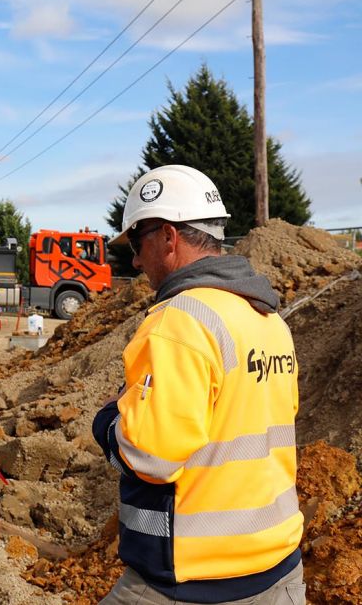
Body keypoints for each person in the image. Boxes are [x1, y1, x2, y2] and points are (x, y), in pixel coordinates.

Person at [93, 165, 305, 604]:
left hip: (191, 580)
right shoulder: (267, 318)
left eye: (137, 242)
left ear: (169, 237)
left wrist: (109, 421)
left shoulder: (179, 321)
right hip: (280, 570)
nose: (134, 260)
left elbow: (149, 457)